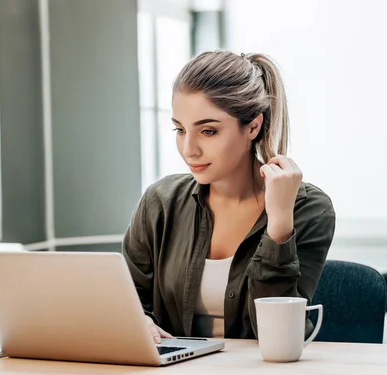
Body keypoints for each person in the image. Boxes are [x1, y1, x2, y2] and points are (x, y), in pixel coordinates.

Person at [122, 50, 336, 343]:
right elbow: (129, 301)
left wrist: (279, 225)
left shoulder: (309, 208)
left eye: (208, 131)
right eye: (180, 130)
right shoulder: (161, 202)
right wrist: (138, 321)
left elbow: (281, 334)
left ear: (253, 126)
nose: (189, 149)